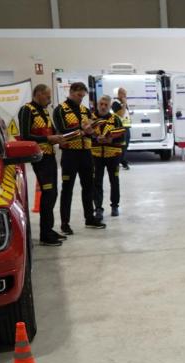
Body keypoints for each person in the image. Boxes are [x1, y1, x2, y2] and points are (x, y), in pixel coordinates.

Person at [18, 83, 68, 246]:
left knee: (53, 194)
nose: (49, 99)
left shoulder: (45, 111)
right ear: (38, 94)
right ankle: (45, 235)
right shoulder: (27, 110)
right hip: (39, 158)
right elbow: (25, 136)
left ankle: (49, 229)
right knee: (48, 194)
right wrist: (48, 139)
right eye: (47, 96)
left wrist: (61, 137)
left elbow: (52, 131)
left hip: (50, 157)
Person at [52, 82, 105, 232]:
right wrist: (81, 129)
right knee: (67, 189)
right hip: (70, 154)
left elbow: (91, 130)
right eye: (78, 95)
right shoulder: (60, 110)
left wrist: (95, 133)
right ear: (71, 92)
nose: (81, 98)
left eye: (83, 96)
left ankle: (90, 218)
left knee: (88, 187)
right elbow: (61, 130)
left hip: (86, 153)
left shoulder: (85, 110)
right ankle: (65, 223)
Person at [92, 95, 126, 218]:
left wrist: (111, 140)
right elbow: (86, 135)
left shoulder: (115, 119)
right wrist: (96, 138)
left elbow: (122, 137)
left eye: (106, 105)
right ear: (97, 105)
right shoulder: (90, 119)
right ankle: (98, 208)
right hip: (96, 155)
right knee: (97, 182)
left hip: (113, 155)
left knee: (114, 180)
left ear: (110, 106)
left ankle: (115, 206)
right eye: (101, 104)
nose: (103, 107)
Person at [111, 87, 132, 170]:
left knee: (125, 145)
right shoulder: (115, 103)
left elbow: (125, 114)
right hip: (120, 127)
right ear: (118, 94)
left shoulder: (123, 103)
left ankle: (121, 161)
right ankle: (122, 162)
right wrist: (124, 104)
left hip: (126, 127)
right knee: (121, 146)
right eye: (123, 94)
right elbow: (121, 115)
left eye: (125, 94)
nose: (125, 95)